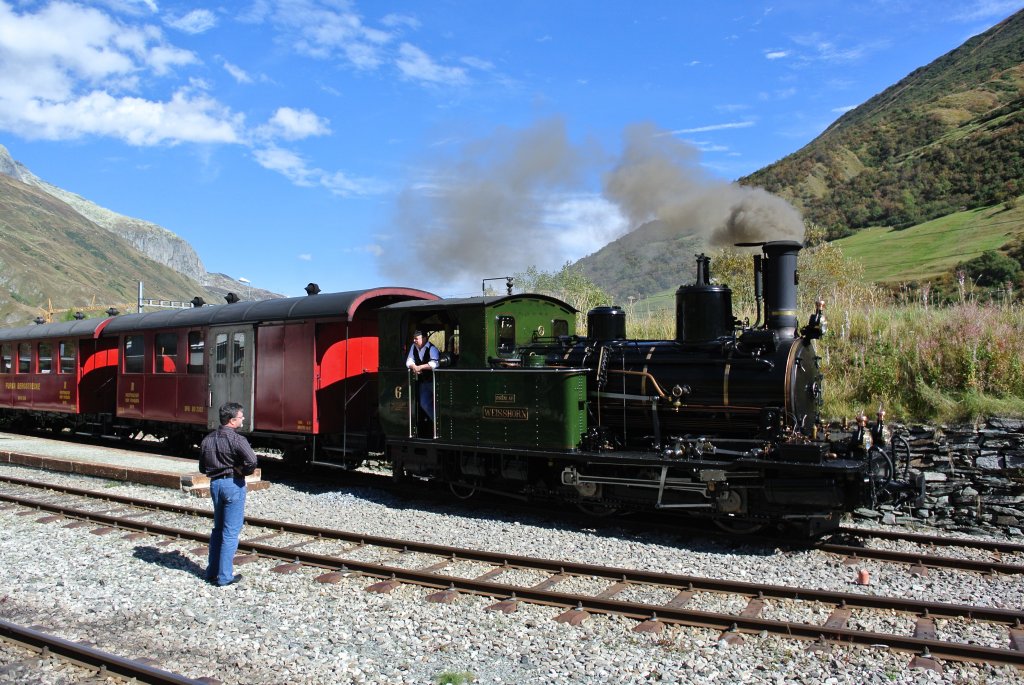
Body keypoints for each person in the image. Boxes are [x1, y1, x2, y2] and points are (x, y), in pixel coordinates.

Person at [200, 402, 258, 587]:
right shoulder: (237, 440)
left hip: (215, 484)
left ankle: (211, 572)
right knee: (230, 532)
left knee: (217, 529)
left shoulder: (208, 439)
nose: (243, 419)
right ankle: (225, 577)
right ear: (232, 420)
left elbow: (202, 467)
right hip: (233, 484)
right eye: (241, 417)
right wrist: (242, 471)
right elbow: (252, 461)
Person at [405, 330, 439, 422]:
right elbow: (409, 361)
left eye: (416, 339)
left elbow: (435, 364)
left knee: (438, 403)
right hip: (423, 382)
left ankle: (440, 424)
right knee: (424, 403)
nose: (414, 341)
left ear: (424, 339)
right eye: (414, 339)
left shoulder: (432, 349)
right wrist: (414, 367)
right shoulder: (413, 347)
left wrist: (420, 367)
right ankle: (436, 421)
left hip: (434, 381)